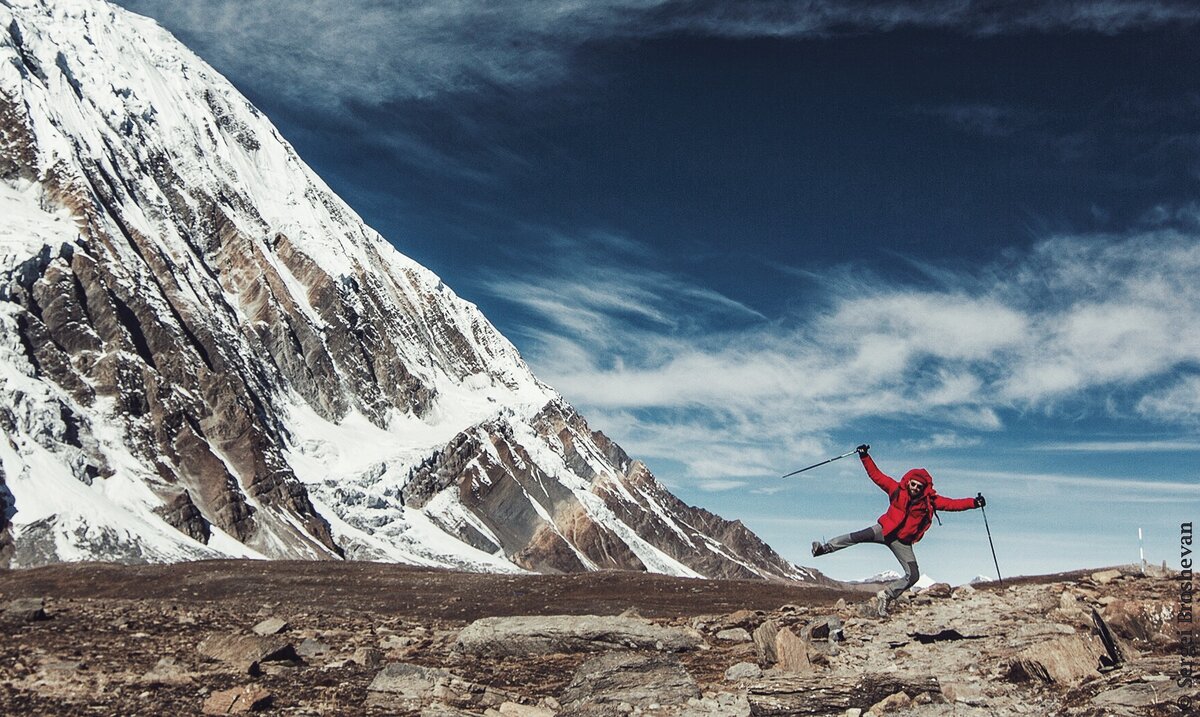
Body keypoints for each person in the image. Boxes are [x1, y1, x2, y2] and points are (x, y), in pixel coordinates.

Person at [810, 444, 985, 616]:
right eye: (913, 484)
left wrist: (974, 503)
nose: (915, 488)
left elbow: (953, 504)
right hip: (884, 529)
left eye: (919, 486)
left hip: (902, 542)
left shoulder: (930, 501)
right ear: (908, 481)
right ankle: (823, 548)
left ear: (924, 488)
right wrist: (864, 456)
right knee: (855, 537)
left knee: (913, 575)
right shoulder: (896, 489)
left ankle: (886, 595)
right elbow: (877, 476)